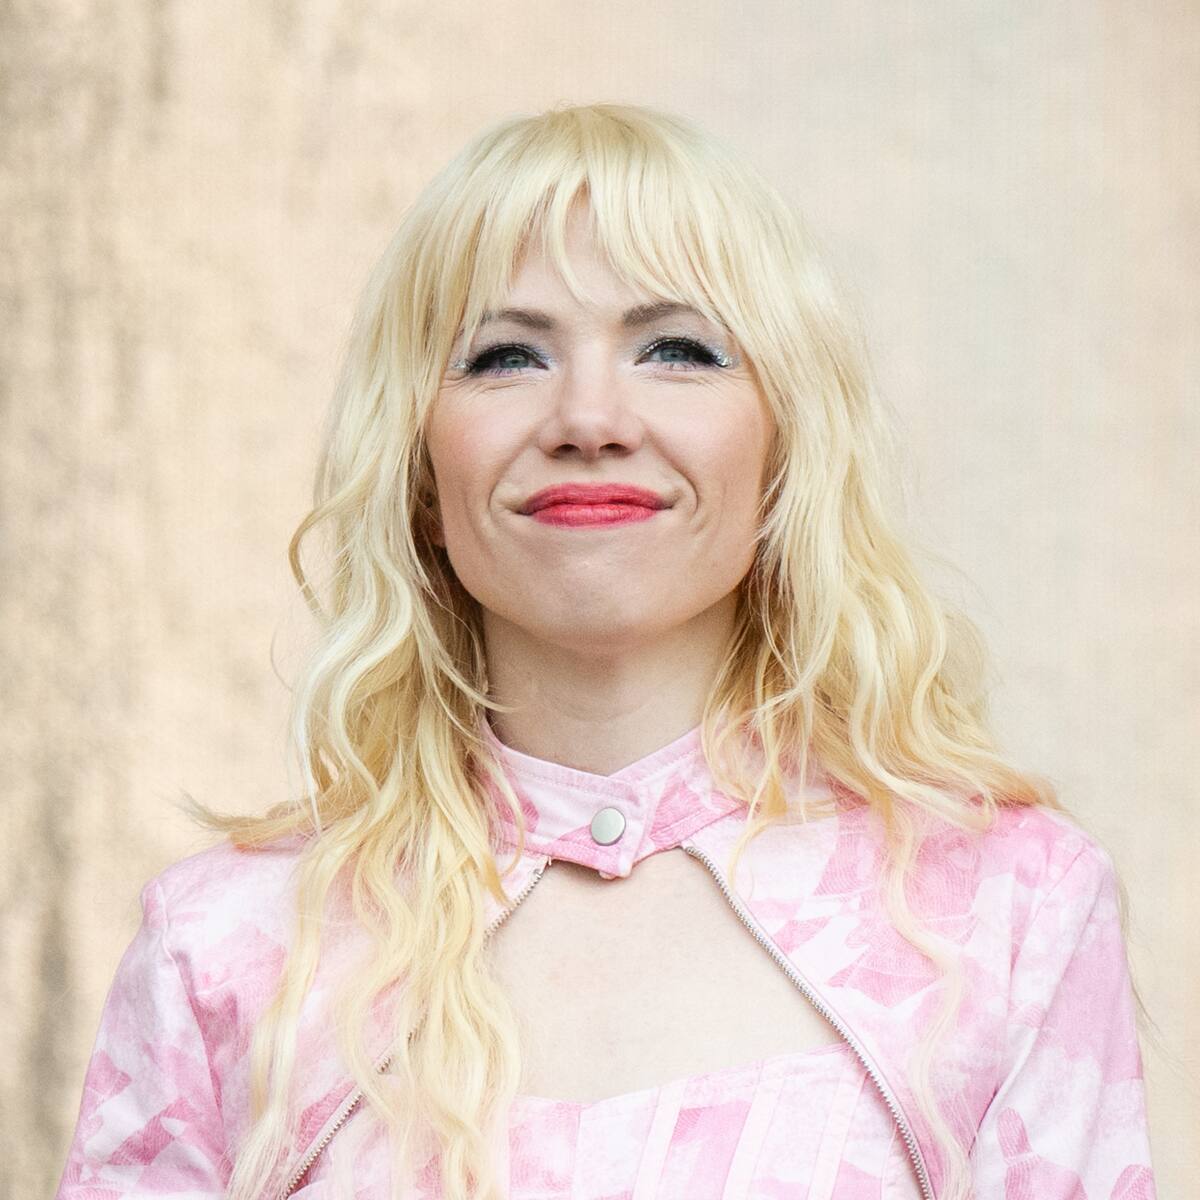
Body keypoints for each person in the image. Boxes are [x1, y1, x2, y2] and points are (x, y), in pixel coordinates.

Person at [56, 103, 1157, 1200]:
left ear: (783, 454)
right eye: (505, 356)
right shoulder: (223, 948)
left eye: (677, 350)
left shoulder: (1010, 910)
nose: (589, 418)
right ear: (420, 473)